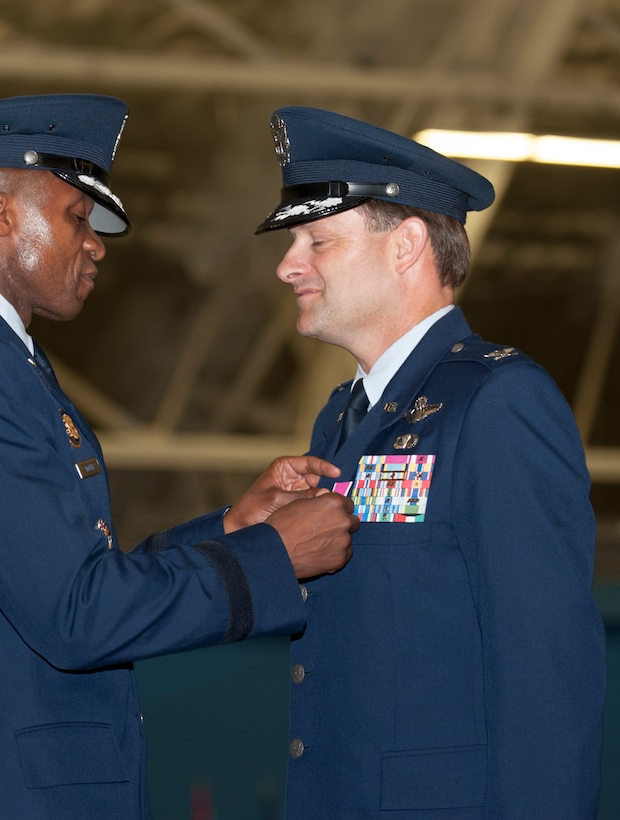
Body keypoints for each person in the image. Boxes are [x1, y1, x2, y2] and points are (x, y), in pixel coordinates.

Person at [0, 94, 358, 819]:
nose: (95, 245)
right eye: (75, 218)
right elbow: (78, 616)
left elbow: (62, 579)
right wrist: (270, 558)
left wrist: (232, 532)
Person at [254, 106, 607, 819]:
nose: (289, 265)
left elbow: (545, 679)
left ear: (407, 245)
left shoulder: (499, 402)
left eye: (317, 240)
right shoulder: (340, 417)